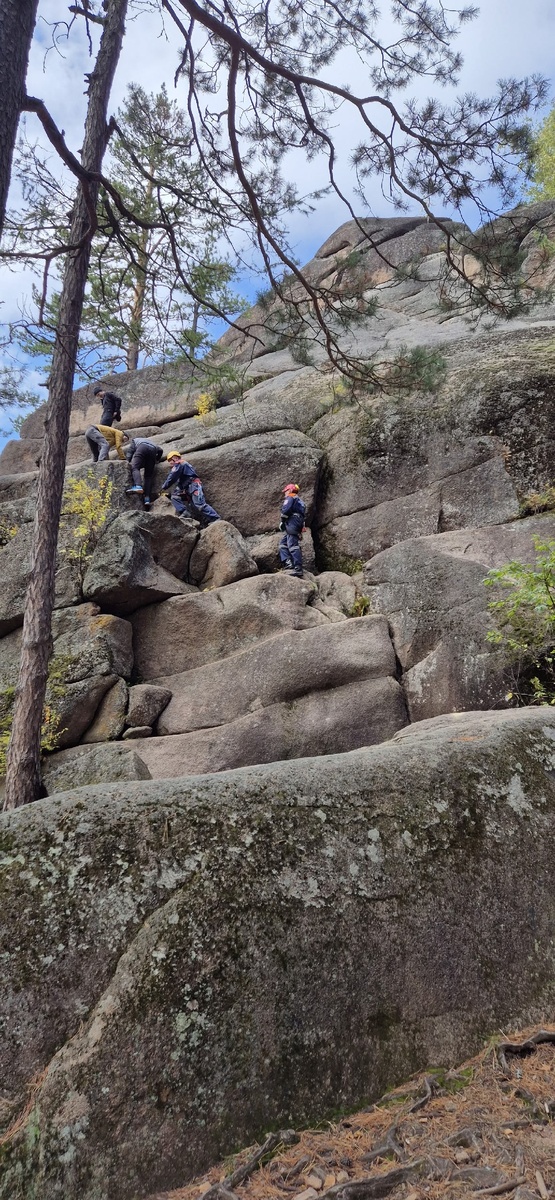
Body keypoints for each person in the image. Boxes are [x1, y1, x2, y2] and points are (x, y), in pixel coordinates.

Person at [160, 450, 220, 523]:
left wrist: (163, 487)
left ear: (175, 458)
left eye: (170, 460)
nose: (170, 463)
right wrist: (169, 494)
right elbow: (180, 485)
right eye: (169, 461)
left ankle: (216, 519)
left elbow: (172, 477)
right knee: (175, 497)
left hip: (194, 487)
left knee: (199, 504)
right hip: (188, 489)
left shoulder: (180, 464)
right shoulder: (180, 467)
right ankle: (185, 513)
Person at [124, 437, 164, 509]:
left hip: (142, 448)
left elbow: (130, 451)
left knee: (135, 467)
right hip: (153, 450)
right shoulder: (152, 443)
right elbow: (160, 450)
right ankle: (147, 499)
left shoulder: (135, 440)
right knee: (148, 476)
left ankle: (138, 486)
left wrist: (127, 461)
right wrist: (157, 460)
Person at [279, 482, 306, 578]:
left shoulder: (291, 497)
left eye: (285, 491)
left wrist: (282, 520)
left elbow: (286, 510)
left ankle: (298, 568)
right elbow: (302, 515)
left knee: (292, 545)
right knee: (283, 543)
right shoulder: (300, 502)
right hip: (297, 523)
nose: (284, 493)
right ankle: (288, 564)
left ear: (290, 490)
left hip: (292, 523)